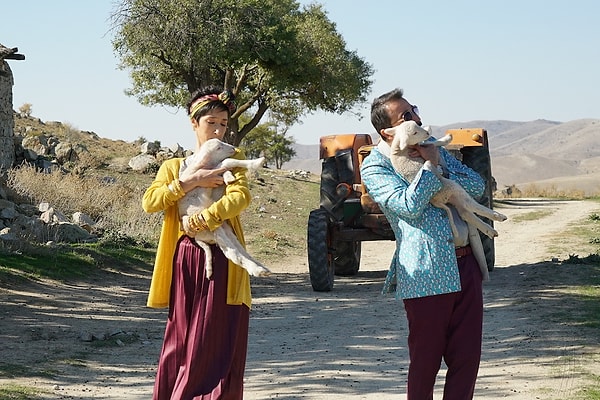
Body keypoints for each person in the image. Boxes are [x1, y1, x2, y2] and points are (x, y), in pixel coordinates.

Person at [360, 88, 486, 400]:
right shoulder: (376, 166)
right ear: (388, 132)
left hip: (465, 263)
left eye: (414, 110)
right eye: (406, 116)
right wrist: (430, 167)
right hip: (424, 273)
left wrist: (437, 162)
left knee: (467, 359)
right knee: (425, 364)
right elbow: (409, 205)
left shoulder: (433, 148)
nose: (416, 118)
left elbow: (477, 186)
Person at [142, 86, 253, 400]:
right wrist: (191, 182)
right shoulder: (173, 167)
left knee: (214, 337)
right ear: (194, 123)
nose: (218, 130)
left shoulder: (233, 158)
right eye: (211, 123)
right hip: (186, 259)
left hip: (223, 260)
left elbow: (240, 197)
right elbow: (150, 202)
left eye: (223, 123)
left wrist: (208, 217)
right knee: (181, 337)